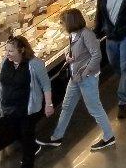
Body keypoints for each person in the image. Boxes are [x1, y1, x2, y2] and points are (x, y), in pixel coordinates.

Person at [37, 8, 115, 151]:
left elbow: (97, 56)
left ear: (70, 22)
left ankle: (109, 136)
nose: (61, 25)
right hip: (75, 78)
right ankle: (56, 137)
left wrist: (84, 73)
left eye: (62, 22)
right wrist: (68, 56)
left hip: (87, 78)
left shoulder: (87, 34)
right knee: (66, 106)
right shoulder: (73, 35)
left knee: (95, 108)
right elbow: (73, 50)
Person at [0, 36, 53, 168]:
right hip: (9, 109)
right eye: (6, 50)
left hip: (27, 110)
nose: (7, 54)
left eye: (10, 50)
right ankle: (34, 146)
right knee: (15, 133)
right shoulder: (5, 63)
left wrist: (48, 104)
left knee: (26, 135)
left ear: (22, 50)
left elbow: (46, 85)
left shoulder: (35, 64)